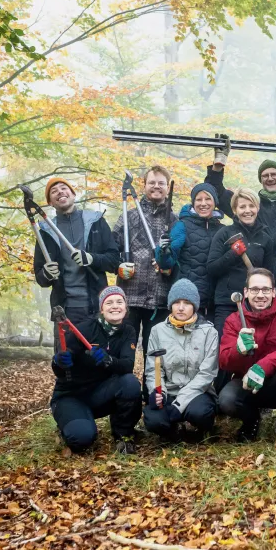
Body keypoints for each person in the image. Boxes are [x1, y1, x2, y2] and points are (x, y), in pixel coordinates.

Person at [203, 138, 276, 304]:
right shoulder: (250, 207)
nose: (270, 178)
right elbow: (216, 192)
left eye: (274, 174)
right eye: (265, 175)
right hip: (258, 286)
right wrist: (218, 165)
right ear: (260, 180)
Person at [218, 269, 276, 444]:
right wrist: (239, 350)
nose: (260, 295)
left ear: (274, 292)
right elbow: (223, 360)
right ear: (246, 292)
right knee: (226, 400)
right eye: (255, 289)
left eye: (266, 290)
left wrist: (263, 366)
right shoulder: (233, 320)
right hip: (246, 383)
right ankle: (251, 420)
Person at [50, 286, 141, 454]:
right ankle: (69, 423)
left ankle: (123, 435)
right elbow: (61, 369)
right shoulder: (84, 328)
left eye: (120, 302)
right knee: (82, 439)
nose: (115, 306)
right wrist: (59, 362)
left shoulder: (128, 331)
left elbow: (127, 365)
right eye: (109, 302)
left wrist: (108, 360)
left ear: (126, 307)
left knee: (130, 382)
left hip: (100, 394)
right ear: (101, 308)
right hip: (71, 395)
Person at [112, 165, 177, 396]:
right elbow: (111, 250)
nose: (156, 186)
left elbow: (181, 258)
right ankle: (122, 401)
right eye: (152, 182)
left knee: (155, 354)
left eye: (161, 183)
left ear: (167, 189)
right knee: (122, 352)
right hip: (129, 297)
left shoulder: (175, 220)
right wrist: (118, 266)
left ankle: (152, 400)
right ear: (145, 185)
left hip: (159, 300)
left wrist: (169, 269)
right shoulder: (128, 216)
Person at [34, 178, 119, 329]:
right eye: (54, 191)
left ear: (73, 195)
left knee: (98, 353)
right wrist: (46, 273)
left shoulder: (96, 222)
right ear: (50, 202)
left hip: (98, 308)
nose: (60, 191)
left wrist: (92, 258)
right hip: (64, 311)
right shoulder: (45, 233)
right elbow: (40, 278)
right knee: (65, 353)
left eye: (64, 188)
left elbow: (114, 261)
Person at [143, 279, 219, 442]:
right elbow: (152, 369)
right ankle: (173, 431)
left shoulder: (209, 332)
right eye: (177, 302)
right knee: (153, 420)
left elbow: (207, 373)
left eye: (186, 303)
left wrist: (180, 403)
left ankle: (199, 429)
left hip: (198, 393)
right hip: (169, 391)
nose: (181, 307)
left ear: (195, 306)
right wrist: (158, 392)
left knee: (200, 413)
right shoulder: (157, 331)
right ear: (170, 305)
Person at [207, 187, 274, 340]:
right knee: (225, 349)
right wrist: (232, 254)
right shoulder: (224, 233)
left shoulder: (265, 238)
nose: (247, 210)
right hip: (227, 303)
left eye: (251, 206)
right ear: (235, 210)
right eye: (242, 207)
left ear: (257, 208)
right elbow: (211, 268)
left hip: (255, 304)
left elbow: (269, 273)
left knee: (253, 348)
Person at [155, 183, 224, 321]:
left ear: (215, 202)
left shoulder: (222, 229)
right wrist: (163, 251)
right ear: (193, 203)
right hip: (186, 301)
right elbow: (166, 263)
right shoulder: (182, 226)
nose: (203, 203)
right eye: (198, 199)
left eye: (207, 199)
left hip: (214, 302)